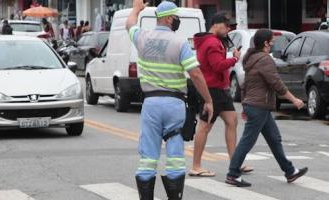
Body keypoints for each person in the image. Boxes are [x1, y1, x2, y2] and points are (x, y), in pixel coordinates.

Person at [126, 1, 214, 199]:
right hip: (174, 104)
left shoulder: (142, 37)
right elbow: (196, 74)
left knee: (148, 156)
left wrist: (136, 9)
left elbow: (129, 24)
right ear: (167, 18)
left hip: (151, 104)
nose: (177, 22)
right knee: (175, 154)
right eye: (175, 18)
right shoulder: (179, 42)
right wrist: (208, 99)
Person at [226, 29, 308, 187]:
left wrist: (245, 105)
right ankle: (233, 174)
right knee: (247, 141)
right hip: (259, 106)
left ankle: (290, 171)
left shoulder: (252, 58)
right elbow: (276, 83)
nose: (273, 44)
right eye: (271, 41)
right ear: (265, 43)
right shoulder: (265, 59)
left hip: (256, 106)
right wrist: (294, 100)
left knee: (274, 139)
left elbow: (246, 85)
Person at [190, 12, 252, 177]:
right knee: (205, 127)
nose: (228, 30)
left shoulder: (212, 41)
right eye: (226, 26)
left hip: (220, 90)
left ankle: (234, 162)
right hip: (211, 90)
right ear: (216, 24)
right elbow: (218, 66)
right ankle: (196, 166)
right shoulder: (212, 43)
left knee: (232, 120)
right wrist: (234, 59)